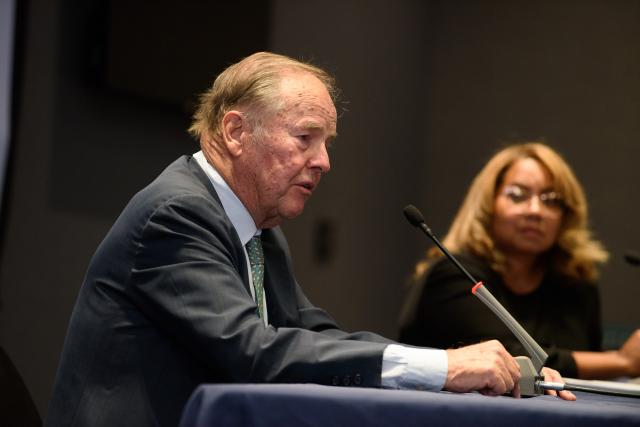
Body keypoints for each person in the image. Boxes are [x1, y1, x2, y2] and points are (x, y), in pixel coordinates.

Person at [46, 54, 573, 427]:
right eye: (305, 138)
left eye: (326, 142)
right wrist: (443, 370)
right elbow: (254, 352)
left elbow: (312, 331)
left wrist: (457, 366)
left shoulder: (257, 226)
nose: (324, 161)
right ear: (235, 132)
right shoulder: (177, 213)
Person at [399, 142, 640, 380]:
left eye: (551, 200)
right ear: (488, 206)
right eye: (517, 195)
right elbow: (508, 360)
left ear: (565, 216)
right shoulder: (453, 274)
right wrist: (621, 361)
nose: (535, 210)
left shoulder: (575, 286)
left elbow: (585, 379)